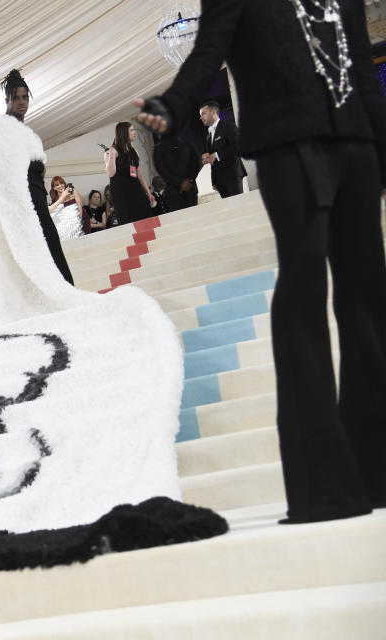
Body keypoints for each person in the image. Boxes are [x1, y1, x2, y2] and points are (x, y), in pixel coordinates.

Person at [136, 0, 386, 524]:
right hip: (286, 145)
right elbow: (208, 54)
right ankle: (323, 488)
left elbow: (361, 66)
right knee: (304, 300)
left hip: (355, 144)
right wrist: (173, 106)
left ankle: (376, 472)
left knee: (370, 305)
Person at [0, 69, 74, 284]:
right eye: (16, 98)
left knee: (51, 252)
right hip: (26, 206)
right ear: (7, 100)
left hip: (38, 203)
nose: (22, 102)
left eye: (25, 97)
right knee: (45, 254)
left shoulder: (22, 130)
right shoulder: (5, 128)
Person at [105, 122, 155, 226]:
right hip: (121, 194)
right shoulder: (111, 151)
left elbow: (140, 174)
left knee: (146, 219)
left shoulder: (134, 151)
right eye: (131, 130)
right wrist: (112, 155)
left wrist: (149, 193)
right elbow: (110, 173)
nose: (134, 133)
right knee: (129, 223)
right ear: (123, 133)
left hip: (136, 189)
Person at [199, 101, 246, 198]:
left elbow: (238, 147)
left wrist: (217, 155)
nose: (201, 117)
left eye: (203, 113)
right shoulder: (208, 135)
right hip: (219, 180)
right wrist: (214, 180)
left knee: (237, 207)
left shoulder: (228, 126)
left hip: (232, 175)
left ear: (213, 113)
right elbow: (212, 160)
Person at [153, 133, 202, 211]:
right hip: (173, 192)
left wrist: (190, 179)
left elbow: (197, 162)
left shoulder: (187, 142)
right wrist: (181, 183)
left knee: (195, 218)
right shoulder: (158, 149)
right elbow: (162, 170)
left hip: (190, 188)